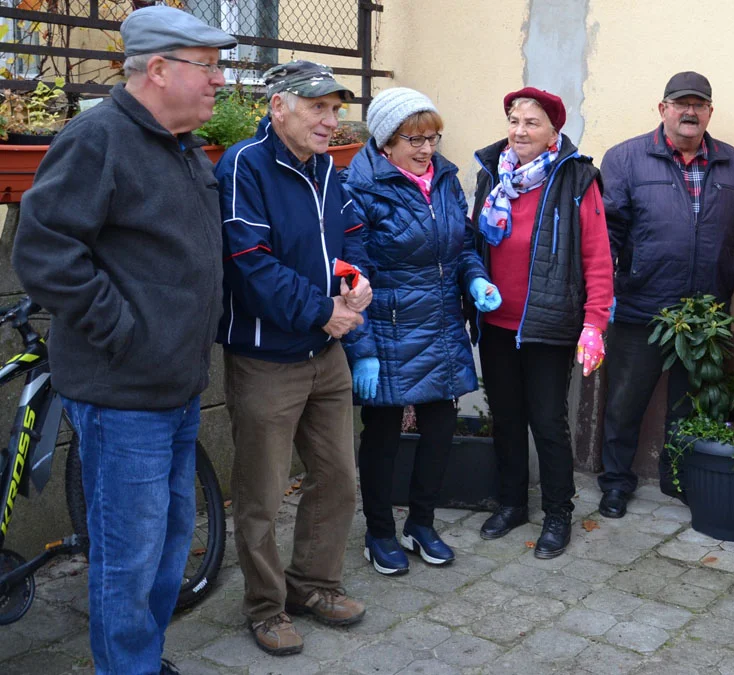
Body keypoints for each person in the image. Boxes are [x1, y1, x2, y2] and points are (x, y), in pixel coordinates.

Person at [11, 7, 234, 674]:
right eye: (209, 66)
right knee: (128, 554)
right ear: (158, 69)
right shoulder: (97, 138)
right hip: (122, 393)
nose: (221, 81)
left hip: (176, 385)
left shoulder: (185, 148)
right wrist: (125, 331)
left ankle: (141, 655)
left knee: (168, 544)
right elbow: (46, 252)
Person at [216, 61, 373, 656]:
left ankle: (314, 586)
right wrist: (322, 310)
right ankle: (265, 607)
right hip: (265, 359)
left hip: (325, 353)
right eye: (318, 109)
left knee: (337, 479)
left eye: (335, 110)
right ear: (278, 106)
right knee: (261, 494)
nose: (330, 122)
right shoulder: (243, 166)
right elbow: (250, 262)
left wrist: (356, 282)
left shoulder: (329, 171)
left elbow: (353, 235)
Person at [342, 87, 500, 575]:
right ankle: (379, 532)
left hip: (440, 323)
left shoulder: (447, 181)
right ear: (386, 141)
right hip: (388, 330)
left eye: (433, 137)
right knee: (384, 434)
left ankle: (422, 524)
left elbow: (462, 245)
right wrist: (361, 348)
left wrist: (475, 278)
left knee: (438, 428)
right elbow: (353, 273)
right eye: (415, 138)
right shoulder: (359, 188)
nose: (427, 148)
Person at [596, 71, 734, 518]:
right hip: (641, 305)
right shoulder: (625, 159)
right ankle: (615, 482)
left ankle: (677, 478)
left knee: (690, 404)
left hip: (706, 313)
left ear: (710, 112)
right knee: (624, 402)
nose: (690, 112)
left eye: (699, 105)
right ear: (663, 109)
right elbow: (607, 233)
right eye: (680, 103)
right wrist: (599, 293)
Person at [470, 87, 613, 559]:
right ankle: (511, 502)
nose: (519, 131)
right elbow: (474, 243)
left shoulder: (576, 177)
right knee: (506, 417)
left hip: (550, 323)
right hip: (496, 322)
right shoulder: (493, 173)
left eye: (531, 123)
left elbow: (596, 255)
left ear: (554, 130)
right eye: (513, 120)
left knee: (548, 421)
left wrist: (595, 322)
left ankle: (557, 513)